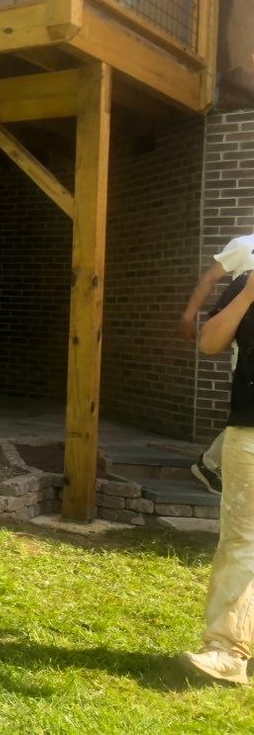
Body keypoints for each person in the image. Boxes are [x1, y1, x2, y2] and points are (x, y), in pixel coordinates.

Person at [181, 269, 254, 685]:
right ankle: (226, 651)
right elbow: (209, 343)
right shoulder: (245, 282)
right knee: (242, 540)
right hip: (249, 432)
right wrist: (247, 296)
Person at [180, 233, 254, 495]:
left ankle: (212, 463)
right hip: (245, 337)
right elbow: (210, 278)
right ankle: (211, 464)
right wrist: (190, 315)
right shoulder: (244, 245)